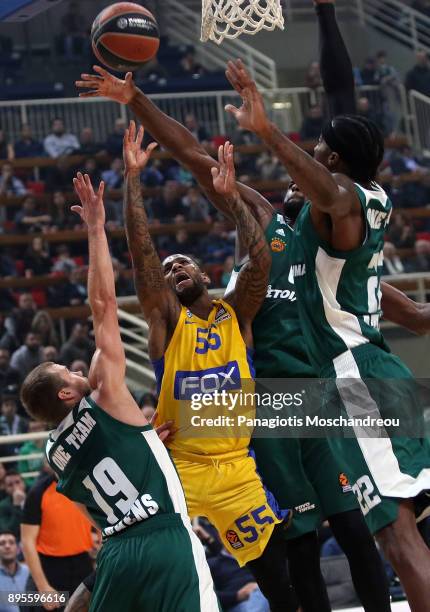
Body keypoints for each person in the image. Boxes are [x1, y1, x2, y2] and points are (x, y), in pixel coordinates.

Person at [223, 36, 430, 612]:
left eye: (318, 150)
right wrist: (325, 13)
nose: (311, 156)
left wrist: (267, 133)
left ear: (333, 163)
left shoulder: (346, 205)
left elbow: (331, 193)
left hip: (354, 373)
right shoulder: (347, 223)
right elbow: (414, 313)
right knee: (405, 530)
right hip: (379, 368)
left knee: (397, 538)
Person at [20, 170, 219, 612]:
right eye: (64, 372)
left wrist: (143, 442)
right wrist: (94, 226)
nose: (74, 369)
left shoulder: (54, 452)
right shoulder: (106, 394)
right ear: (66, 396)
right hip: (163, 537)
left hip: (114, 552)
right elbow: (104, 305)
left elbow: (101, 488)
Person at [119, 122, 293, 610]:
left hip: (238, 470)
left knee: (278, 580)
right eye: (169, 268)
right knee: (153, 571)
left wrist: (233, 199)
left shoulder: (233, 313)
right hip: (184, 470)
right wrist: (134, 179)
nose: (173, 270)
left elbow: (261, 264)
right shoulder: (166, 322)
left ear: (204, 275)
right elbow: (142, 254)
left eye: (183, 265)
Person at [21, 464, 93, 612]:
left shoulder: (87, 486)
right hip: (51, 568)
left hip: (83, 563)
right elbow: (27, 542)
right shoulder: (38, 492)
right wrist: (43, 587)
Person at [0, 531, 30, 612]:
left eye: (11, 542)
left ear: (18, 549)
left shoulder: (29, 573)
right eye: (2, 543)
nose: (7, 546)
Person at [0, 471, 26, 540]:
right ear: (6, 489)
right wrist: (17, 506)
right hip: (17, 542)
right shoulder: (3, 506)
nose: (15, 487)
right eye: (10, 485)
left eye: (17, 482)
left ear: (23, 483)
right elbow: (9, 531)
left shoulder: (33, 498)